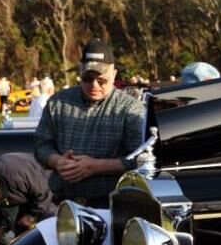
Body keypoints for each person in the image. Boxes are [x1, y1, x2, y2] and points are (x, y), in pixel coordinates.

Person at [34, 40, 145, 207]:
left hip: (110, 204)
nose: (94, 85)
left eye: (102, 80)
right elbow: (41, 145)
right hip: (62, 202)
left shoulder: (130, 109)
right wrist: (57, 161)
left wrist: (96, 166)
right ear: (80, 72)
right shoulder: (58, 102)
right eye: (87, 78)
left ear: (114, 75)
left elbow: (139, 159)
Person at [0, 152, 56, 241]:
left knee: (46, 230)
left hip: (47, 183)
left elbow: (44, 193)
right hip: (27, 192)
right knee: (20, 233)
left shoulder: (15, 178)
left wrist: (31, 216)